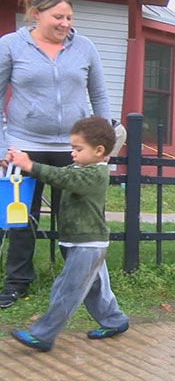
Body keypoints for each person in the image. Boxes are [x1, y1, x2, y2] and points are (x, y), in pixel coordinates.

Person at [0, 0, 112, 308]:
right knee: (21, 217)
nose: (65, 24)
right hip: (23, 145)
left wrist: (101, 143)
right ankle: (17, 282)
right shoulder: (10, 46)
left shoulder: (85, 47)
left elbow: (100, 95)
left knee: (75, 218)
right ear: (37, 14)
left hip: (74, 148)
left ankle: (79, 280)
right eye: (58, 17)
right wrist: (2, 146)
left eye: (69, 17)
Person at [8, 115, 128, 352]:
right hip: (79, 242)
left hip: (88, 244)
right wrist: (22, 164)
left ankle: (42, 335)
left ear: (99, 150)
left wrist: (31, 165)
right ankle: (114, 320)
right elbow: (54, 173)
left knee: (66, 290)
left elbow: (63, 178)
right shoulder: (79, 167)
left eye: (77, 148)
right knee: (95, 288)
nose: (72, 152)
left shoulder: (95, 174)